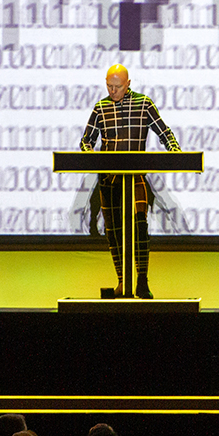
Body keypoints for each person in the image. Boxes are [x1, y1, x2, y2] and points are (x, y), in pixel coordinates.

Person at [80, 64, 181, 299]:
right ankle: (123, 281)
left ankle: (142, 281)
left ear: (128, 84)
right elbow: (86, 140)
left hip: (135, 178)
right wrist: (89, 155)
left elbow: (164, 132)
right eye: (109, 86)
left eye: (117, 86)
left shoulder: (144, 104)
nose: (112, 90)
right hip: (108, 180)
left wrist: (175, 150)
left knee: (140, 227)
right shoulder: (101, 107)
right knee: (113, 232)